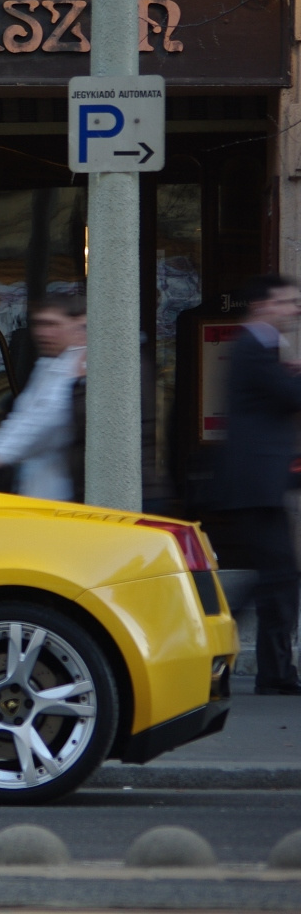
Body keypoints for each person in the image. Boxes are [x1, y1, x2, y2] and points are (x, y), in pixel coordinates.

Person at [200, 275, 301, 695]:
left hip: (258, 484)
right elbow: (289, 398)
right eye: (287, 302)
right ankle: (226, 663)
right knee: (276, 578)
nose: (294, 309)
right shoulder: (254, 345)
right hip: (254, 485)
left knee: (273, 578)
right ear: (263, 306)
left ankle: (262, 670)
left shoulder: (260, 347)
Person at [0, 295, 87, 501]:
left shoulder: (77, 364)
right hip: (45, 481)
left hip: (63, 487)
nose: (43, 333)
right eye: (39, 324)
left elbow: (48, 416)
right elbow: (26, 416)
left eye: (52, 324)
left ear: (77, 326)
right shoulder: (52, 363)